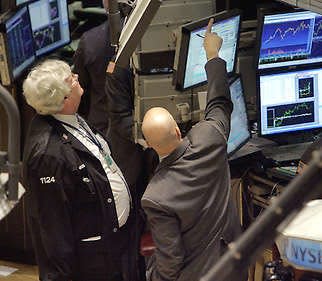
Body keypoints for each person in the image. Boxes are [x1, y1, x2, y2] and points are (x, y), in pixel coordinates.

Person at [106, 19, 245, 281]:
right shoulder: (210, 138)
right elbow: (219, 103)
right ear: (179, 131)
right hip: (234, 266)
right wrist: (212, 56)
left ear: (148, 145)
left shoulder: (156, 196)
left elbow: (170, 262)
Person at [22, 59, 151, 281]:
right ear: (63, 98)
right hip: (92, 265)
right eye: (70, 78)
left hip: (116, 246)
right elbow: (53, 232)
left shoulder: (69, 118)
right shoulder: (47, 156)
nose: (77, 77)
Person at [73, 0, 136, 135]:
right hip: (138, 128)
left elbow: (80, 92)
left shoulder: (90, 42)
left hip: (100, 130)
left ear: (107, 4)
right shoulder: (150, 38)